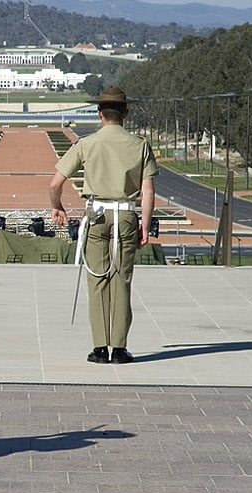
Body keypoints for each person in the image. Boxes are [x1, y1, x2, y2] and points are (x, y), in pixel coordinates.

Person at [49, 85, 157, 365]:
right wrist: (145, 225)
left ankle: (100, 348)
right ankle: (119, 349)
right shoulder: (140, 145)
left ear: (99, 114)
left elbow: (55, 183)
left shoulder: (87, 143)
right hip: (126, 215)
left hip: (96, 215)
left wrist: (56, 206)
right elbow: (147, 191)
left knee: (97, 280)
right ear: (126, 112)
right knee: (121, 281)